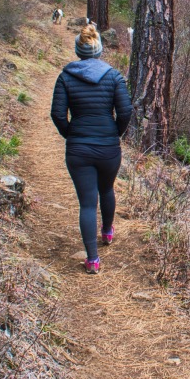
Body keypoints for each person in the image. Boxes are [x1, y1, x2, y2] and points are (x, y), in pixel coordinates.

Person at [50, 23, 132, 273]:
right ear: (99, 50)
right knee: (106, 189)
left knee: (87, 203)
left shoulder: (65, 76)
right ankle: (107, 231)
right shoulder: (114, 75)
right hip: (108, 146)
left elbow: (57, 114)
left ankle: (93, 259)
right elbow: (126, 111)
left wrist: (70, 134)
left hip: (79, 148)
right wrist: (115, 132)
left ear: (78, 51)